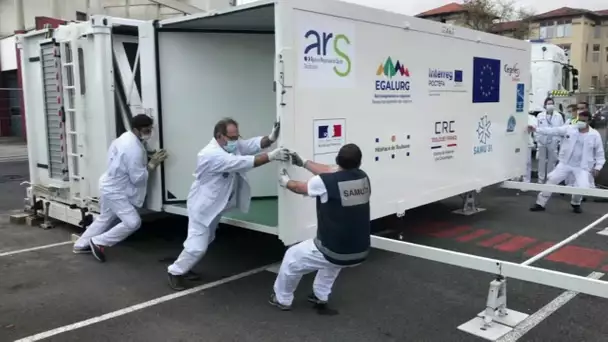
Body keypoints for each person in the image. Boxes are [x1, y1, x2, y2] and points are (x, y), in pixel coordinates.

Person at [167, 118, 289, 290]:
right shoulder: (210, 154)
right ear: (220, 136)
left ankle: (185, 267)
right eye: (232, 137)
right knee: (197, 246)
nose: (236, 140)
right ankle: (175, 272)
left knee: (207, 238)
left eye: (236, 136)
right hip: (203, 207)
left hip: (215, 205)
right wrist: (272, 156)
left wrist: (270, 138)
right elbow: (242, 162)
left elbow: (250, 145)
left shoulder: (229, 145)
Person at [269, 144, 371, 311]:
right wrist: (303, 162)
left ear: (338, 160)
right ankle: (320, 295)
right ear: (359, 163)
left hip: (334, 248)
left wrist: (285, 181)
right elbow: (330, 171)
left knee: (292, 258)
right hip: (359, 250)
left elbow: (299, 187)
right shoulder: (363, 178)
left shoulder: (325, 182)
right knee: (332, 264)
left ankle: (283, 299)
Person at [73, 114, 168, 261]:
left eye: (150, 129)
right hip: (116, 190)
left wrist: (148, 156)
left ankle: (81, 245)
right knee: (133, 222)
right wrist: (152, 164)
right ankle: (98, 242)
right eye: (146, 130)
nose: (149, 132)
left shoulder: (125, 137)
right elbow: (137, 179)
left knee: (105, 218)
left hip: (108, 184)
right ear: (136, 129)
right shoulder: (133, 149)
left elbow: (125, 161)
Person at [529, 111, 605, 213]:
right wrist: (536, 129)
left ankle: (576, 203)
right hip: (565, 163)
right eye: (579, 120)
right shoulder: (570, 129)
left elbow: (600, 153)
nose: (581, 122)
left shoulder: (594, 135)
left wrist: (598, 167)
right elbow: (553, 130)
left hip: (582, 167)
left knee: (582, 187)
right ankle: (540, 203)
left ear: (589, 121)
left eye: (584, 121)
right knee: (552, 180)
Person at [535, 97, 564, 183]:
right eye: (548, 104)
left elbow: (561, 129)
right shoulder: (540, 116)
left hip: (553, 141)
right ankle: (540, 179)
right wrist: (537, 141)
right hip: (542, 141)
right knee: (541, 161)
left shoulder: (558, 116)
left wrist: (558, 141)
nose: (550, 105)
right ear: (545, 105)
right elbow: (536, 129)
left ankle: (549, 178)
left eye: (551, 104)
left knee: (552, 161)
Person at [523, 113, 539, 184]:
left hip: (527, 142)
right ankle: (516, 179)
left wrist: (530, 127)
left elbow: (534, 127)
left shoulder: (532, 117)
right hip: (515, 142)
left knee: (527, 163)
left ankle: (526, 180)